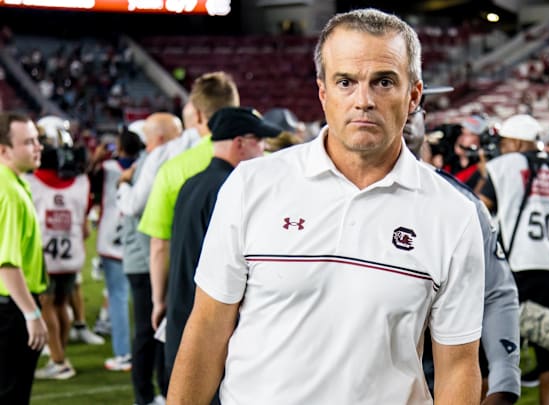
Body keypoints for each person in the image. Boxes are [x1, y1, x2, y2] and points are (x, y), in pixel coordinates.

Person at [168, 9, 486, 404]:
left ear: (413, 96)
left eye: (384, 82)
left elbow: (458, 364)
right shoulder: (252, 185)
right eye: (346, 82)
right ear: (323, 93)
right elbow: (207, 329)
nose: (363, 100)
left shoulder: (452, 214)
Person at [405, 88, 521, 404]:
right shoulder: (300, 195)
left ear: (423, 119)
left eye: (411, 106)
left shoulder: (459, 203)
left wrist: (503, 383)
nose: (400, 113)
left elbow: (497, 291)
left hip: (430, 382)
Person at [164, 107, 281, 395]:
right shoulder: (230, 188)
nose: (265, 150)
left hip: (182, 315)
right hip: (209, 327)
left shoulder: (191, 184)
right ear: (240, 143)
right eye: (260, 141)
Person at [480, 114, 549, 405]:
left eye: (507, 143)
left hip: (518, 269)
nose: (503, 148)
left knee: (497, 356)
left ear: (518, 142)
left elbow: (477, 208)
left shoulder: (504, 167)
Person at [137, 72, 240, 334]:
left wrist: (159, 300)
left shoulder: (173, 168)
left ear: (199, 115)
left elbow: (160, 244)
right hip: (251, 296)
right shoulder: (266, 160)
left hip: (192, 297)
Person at [120, 113, 182, 405]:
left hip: (147, 258)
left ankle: (153, 393)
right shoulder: (152, 162)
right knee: (148, 330)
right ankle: (144, 396)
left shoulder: (151, 162)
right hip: (145, 260)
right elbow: (136, 209)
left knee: (156, 331)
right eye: (177, 133)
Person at [27, 122, 92, 380]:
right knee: (61, 305)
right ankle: (60, 355)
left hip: (45, 256)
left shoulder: (30, 182)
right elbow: (85, 224)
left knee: (47, 306)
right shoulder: (81, 183)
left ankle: (59, 360)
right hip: (71, 255)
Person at [0, 112, 48, 405]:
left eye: (37, 139)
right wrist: (32, 314)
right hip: (10, 311)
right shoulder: (9, 193)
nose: (38, 146)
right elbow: (6, 263)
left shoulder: (12, 184)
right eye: (29, 142)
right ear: (4, 150)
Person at [91, 130, 144, 372]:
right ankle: (149, 354)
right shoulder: (146, 166)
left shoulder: (107, 168)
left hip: (111, 236)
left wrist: (96, 157)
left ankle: (123, 354)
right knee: (146, 300)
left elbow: (86, 179)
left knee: (118, 298)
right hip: (140, 237)